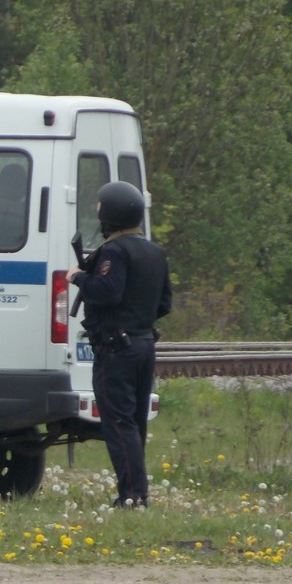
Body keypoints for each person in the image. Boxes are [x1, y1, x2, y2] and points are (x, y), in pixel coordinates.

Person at [67, 180, 172, 508]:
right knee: (135, 421)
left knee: (118, 422)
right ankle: (136, 492)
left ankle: (132, 496)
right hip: (143, 344)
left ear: (109, 216)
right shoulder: (154, 251)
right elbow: (164, 304)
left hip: (116, 349)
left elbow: (106, 291)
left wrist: (78, 277)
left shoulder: (114, 251)